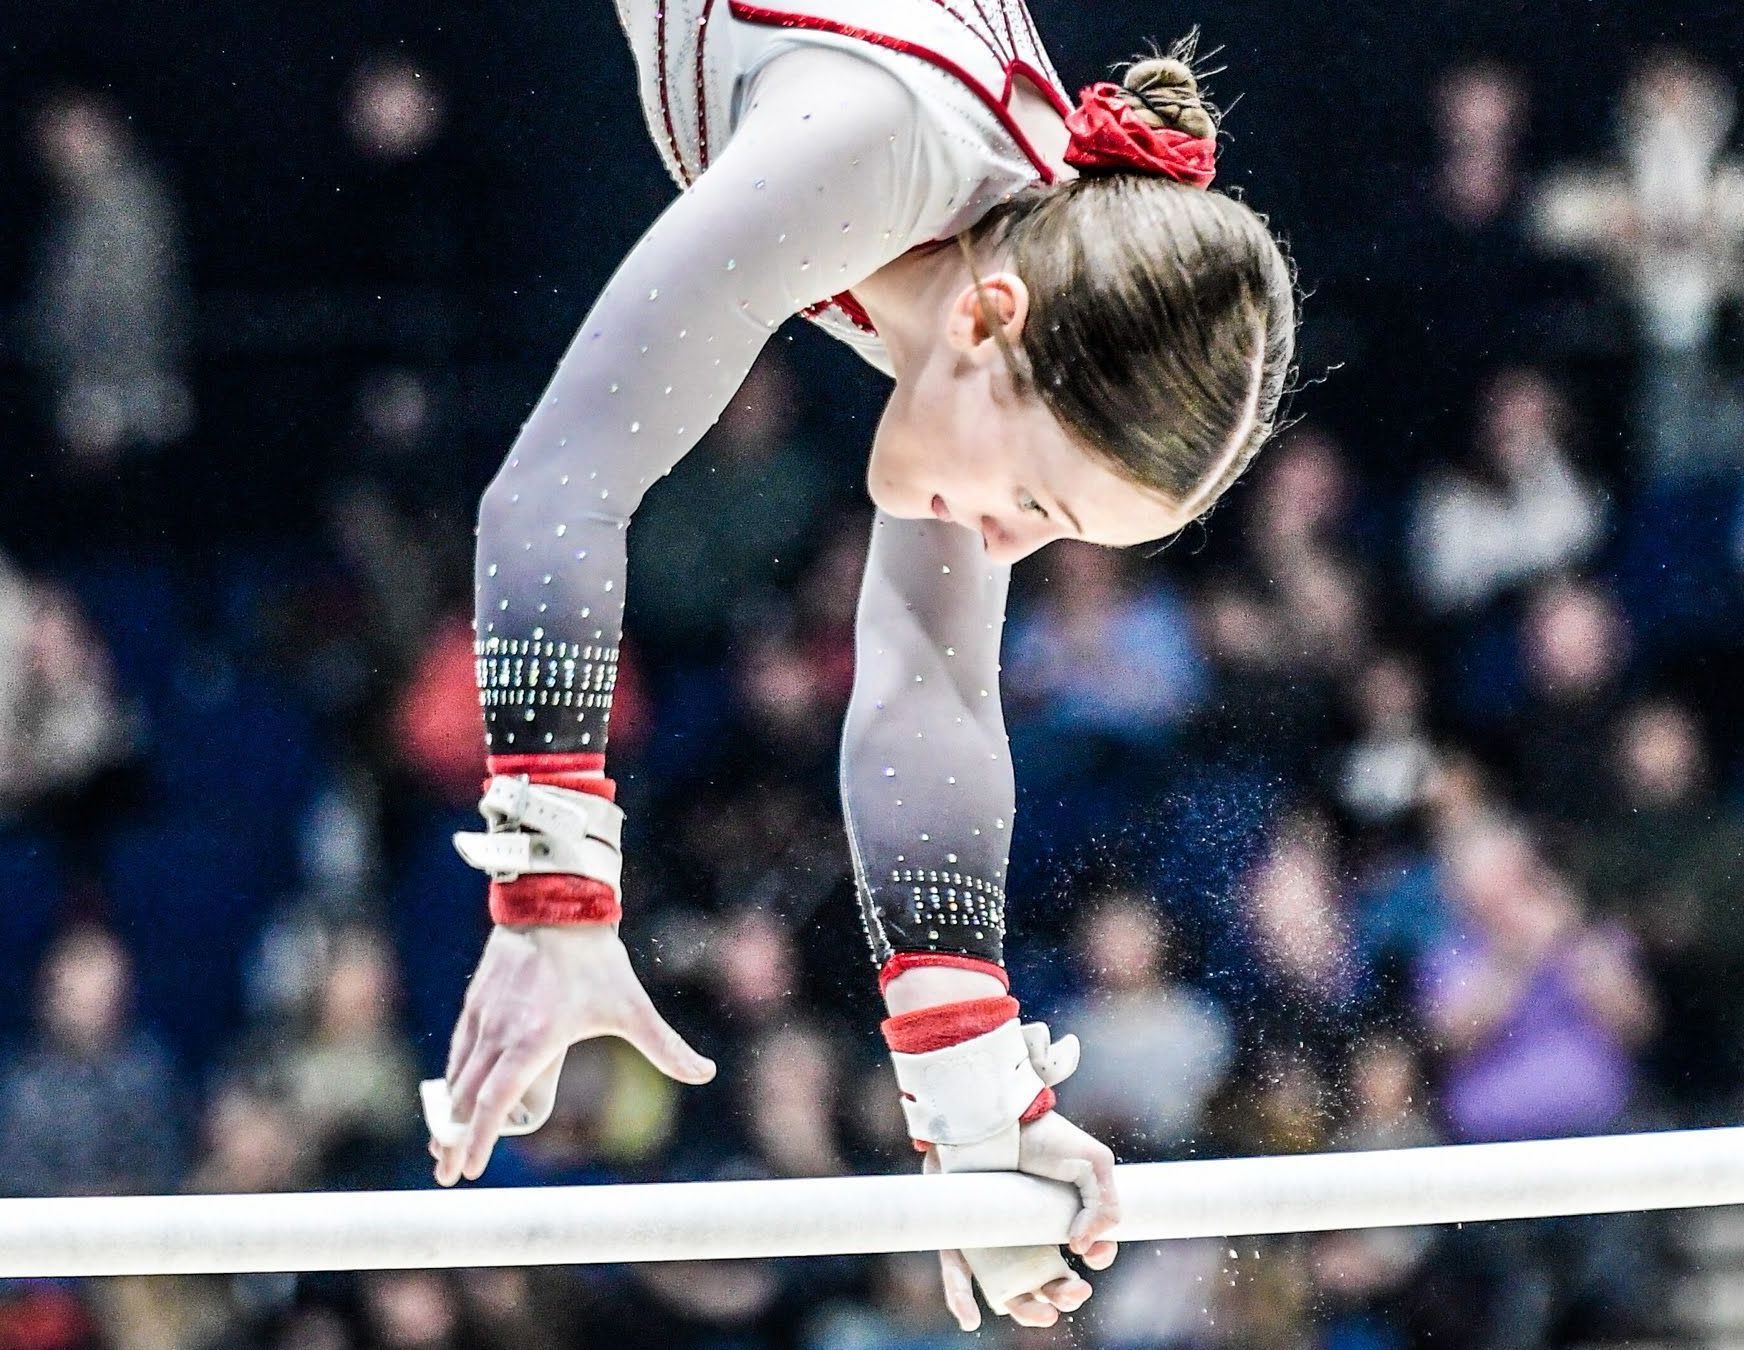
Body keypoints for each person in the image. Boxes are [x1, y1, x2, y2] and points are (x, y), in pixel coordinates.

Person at [422, 0, 1296, 1329]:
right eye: (1036, 507)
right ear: (987, 325)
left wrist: (977, 1110)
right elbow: (558, 487)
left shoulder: (1023, 257)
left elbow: (928, 683)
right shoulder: (870, 146)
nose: (1004, 543)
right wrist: (551, 898)